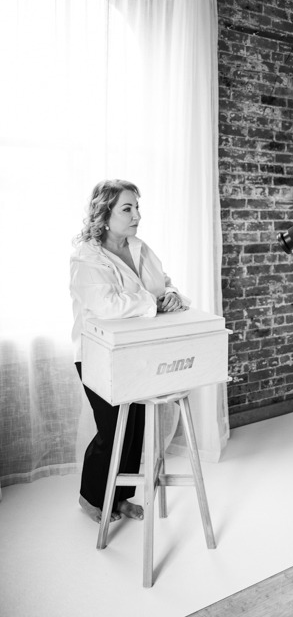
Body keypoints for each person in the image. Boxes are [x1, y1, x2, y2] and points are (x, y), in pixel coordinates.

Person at [70, 179, 190, 524]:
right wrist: (153, 302)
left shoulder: (140, 247)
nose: (137, 214)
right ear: (105, 214)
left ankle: (119, 496)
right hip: (97, 355)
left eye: (137, 207)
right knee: (112, 430)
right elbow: (105, 305)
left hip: (138, 351)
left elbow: (164, 283)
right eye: (128, 208)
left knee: (134, 430)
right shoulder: (86, 257)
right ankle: (90, 497)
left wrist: (171, 297)